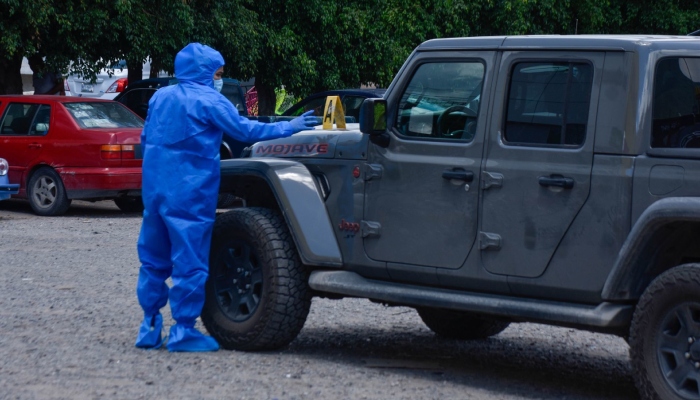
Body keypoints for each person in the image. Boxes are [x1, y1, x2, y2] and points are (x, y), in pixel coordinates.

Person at [135, 42, 317, 352]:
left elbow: (145, 138)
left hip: (155, 189)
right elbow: (245, 131)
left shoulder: (160, 97)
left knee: (153, 257)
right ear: (206, 72)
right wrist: (291, 126)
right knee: (190, 260)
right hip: (190, 193)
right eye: (217, 73)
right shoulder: (210, 101)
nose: (219, 78)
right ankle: (183, 331)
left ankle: (149, 325)